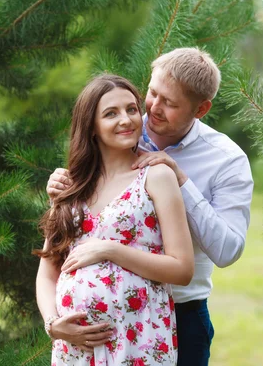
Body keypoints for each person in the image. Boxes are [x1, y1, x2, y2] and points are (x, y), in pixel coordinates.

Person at [46, 48, 254, 365]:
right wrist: (62, 187)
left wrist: (181, 181)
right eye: (153, 93)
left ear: (201, 109)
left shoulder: (226, 160)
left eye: (169, 103)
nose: (152, 110)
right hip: (86, 339)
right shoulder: (123, 127)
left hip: (176, 314)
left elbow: (228, 251)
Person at [35, 74, 195, 365]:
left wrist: (110, 249)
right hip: (75, 350)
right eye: (111, 113)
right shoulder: (70, 186)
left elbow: (182, 268)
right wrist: (53, 325)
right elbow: (48, 270)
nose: (126, 120)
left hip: (138, 342)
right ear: (92, 127)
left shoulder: (156, 176)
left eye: (132, 109)